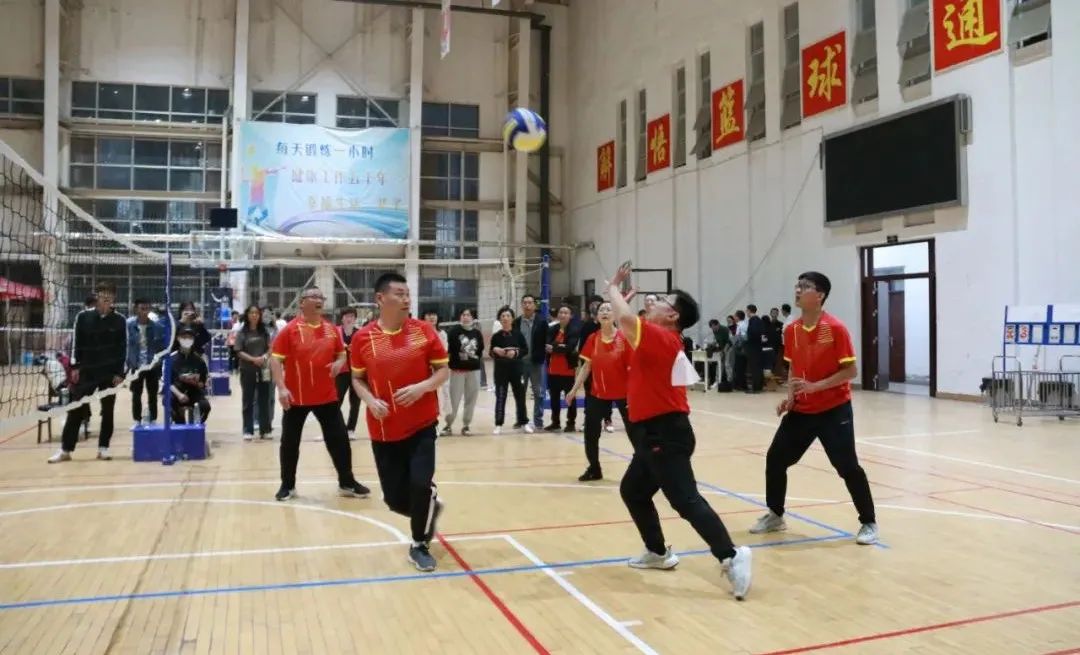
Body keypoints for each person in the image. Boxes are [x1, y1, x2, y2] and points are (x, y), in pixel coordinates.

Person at [606, 263, 752, 600]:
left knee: (685, 500)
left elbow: (625, 319)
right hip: (649, 434)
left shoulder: (663, 337)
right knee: (634, 491)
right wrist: (617, 302)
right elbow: (623, 326)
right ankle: (658, 552)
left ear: (673, 316)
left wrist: (613, 288)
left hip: (665, 433)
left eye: (662, 301)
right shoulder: (653, 337)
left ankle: (731, 555)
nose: (653, 302)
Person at [750, 271, 878, 545]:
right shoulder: (792, 329)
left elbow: (851, 371)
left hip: (834, 410)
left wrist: (815, 387)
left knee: (847, 467)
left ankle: (868, 521)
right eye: (797, 285)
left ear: (819, 295)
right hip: (802, 410)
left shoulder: (835, 328)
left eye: (805, 286)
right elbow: (794, 368)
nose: (798, 289)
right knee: (776, 459)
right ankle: (775, 515)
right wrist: (791, 397)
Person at [350, 272, 450, 572]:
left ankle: (419, 544)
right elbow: (357, 379)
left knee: (420, 484)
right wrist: (370, 400)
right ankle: (428, 505)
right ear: (381, 299)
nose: (406, 299)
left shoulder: (424, 331)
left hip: (422, 425)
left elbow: (442, 372)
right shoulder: (362, 338)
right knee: (394, 500)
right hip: (384, 430)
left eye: (408, 294)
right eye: (399, 294)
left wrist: (422, 387)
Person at [269, 286, 371, 502]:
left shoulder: (331, 330)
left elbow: (341, 354)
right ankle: (287, 485)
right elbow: (275, 359)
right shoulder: (290, 330)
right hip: (296, 397)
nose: (319, 300)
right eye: (313, 296)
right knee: (289, 442)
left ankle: (347, 482)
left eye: (321, 297)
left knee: (339, 440)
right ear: (302, 302)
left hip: (326, 396)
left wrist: (339, 363)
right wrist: (281, 388)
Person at [48, 282, 126, 463]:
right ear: (96, 296)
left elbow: (123, 348)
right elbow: (77, 343)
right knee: (76, 409)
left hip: (109, 372)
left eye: (109, 294)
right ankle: (66, 450)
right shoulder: (83, 317)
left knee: (108, 411)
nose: (106, 297)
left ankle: (103, 448)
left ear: (114, 298)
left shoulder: (120, 320)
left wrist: (120, 373)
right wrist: (75, 366)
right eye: (102, 294)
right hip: (87, 371)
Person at [566, 301, 631, 481]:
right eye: (601, 310)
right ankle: (594, 468)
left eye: (609, 309)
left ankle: (646, 468)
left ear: (615, 315)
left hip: (624, 393)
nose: (605, 312)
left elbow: (632, 368)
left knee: (635, 433)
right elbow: (586, 367)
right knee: (591, 433)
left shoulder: (624, 338)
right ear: (597, 317)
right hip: (598, 393)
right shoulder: (593, 338)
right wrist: (573, 390)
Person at [489, 306, 531, 435]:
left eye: (508, 316)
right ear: (500, 319)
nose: (505, 318)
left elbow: (525, 350)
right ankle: (498, 424)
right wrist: (495, 350)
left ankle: (524, 422)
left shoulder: (518, 334)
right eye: (503, 316)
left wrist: (515, 353)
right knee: (501, 396)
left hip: (517, 370)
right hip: (501, 371)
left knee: (520, 396)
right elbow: (491, 352)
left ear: (512, 318)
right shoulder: (496, 336)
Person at [443, 308, 484, 436]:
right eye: (463, 314)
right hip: (457, 370)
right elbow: (449, 350)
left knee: (471, 399)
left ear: (473, 318)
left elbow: (479, 351)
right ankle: (448, 425)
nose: (465, 317)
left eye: (468, 315)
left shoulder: (477, 333)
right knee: (454, 399)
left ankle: (466, 425)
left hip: (474, 370)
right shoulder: (454, 332)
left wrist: (471, 358)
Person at [234, 305, 272, 441]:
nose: (254, 315)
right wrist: (253, 359)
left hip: (263, 369)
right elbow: (238, 351)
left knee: (264, 399)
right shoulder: (242, 332)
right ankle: (247, 429)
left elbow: (270, 348)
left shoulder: (264, 331)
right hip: (247, 369)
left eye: (257, 313)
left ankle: (265, 429)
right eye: (252, 313)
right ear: (247, 315)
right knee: (248, 400)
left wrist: (264, 357)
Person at [512, 294, 548, 431]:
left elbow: (546, 340)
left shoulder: (542, 322)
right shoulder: (516, 323)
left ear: (534, 305)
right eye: (525, 303)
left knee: (538, 392)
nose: (527, 305)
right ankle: (521, 419)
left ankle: (538, 420)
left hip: (536, 363)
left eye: (530, 303)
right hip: (520, 363)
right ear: (521, 305)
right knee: (520, 392)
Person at [127, 298, 165, 424]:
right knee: (136, 394)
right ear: (136, 309)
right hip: (136, 365)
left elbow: (161, 347)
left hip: (152, 365)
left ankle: (153, 419)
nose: (145, 311)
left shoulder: (157, 327)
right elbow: (126, 345)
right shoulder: (129, 325)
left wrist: (158, 361)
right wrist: (129, 362)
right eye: (142, 309)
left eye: (147, 309)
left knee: (152, 394)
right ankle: (137, 419)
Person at [545, 304, 580, 432]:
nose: (563, 315)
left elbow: (569, 347)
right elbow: (547, 345)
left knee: (570, 397)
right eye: (561, 312)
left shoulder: (574, 330)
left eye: (566, 313)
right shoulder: (552, 329)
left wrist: (555, 348)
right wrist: (560, 346)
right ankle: (555, 422)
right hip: (553, 370)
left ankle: (571, 423)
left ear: (571, 316)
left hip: (567, 370)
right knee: (554, 398)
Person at [170, 326, 212, 424]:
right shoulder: (171, 359)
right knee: (169, 402)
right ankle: (180, 425)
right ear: (178, 338)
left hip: (194, 391)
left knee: (205, 406)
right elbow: (167, 382)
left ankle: (195, 426)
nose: (187, 340)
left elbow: (203, 381)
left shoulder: (199, 360)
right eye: (184, 337)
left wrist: (197, 383)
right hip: (176, 392)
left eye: (190, 337)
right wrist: (179, 395)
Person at [335, 307, 362, 440]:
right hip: (341, 371)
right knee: (336, 401)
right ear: (342, 318)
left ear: (355, 319)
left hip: (357, 372)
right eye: (346, 316)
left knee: (355, 402)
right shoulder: (336, 332)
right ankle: (335, 428)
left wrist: (354, 349)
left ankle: (351, 429)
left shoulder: (360, 333)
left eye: (352, 316)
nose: (349, 319)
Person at [424, 311, 451, 418]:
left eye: (434, 315)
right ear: (424, 318)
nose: (432, 317)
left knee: (444, 391)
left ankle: (441, 414)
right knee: (429, 393)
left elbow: (444, 351)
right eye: (429, 315)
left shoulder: (442, 334)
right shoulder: (420, 333)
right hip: (426, 368)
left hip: (440, 366)